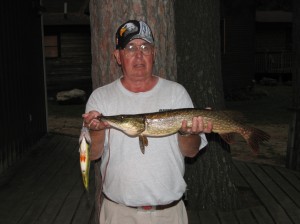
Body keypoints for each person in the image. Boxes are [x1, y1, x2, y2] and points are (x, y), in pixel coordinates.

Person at [82, 19, 213, 224]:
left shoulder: (176, 93)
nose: (139, 54)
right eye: (130, 48)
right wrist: (97, 130)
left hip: (169, 213)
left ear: (154, 53)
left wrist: (190, 132)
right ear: (118, 56)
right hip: (119, 213)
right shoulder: (100, 98)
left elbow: (191, 152)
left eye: (145, 47)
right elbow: (93, 155)